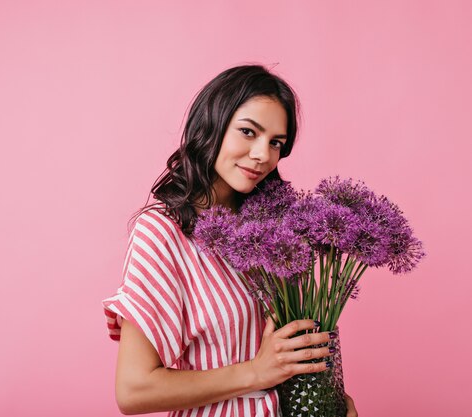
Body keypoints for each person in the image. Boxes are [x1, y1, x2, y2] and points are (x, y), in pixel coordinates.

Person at [101, 64, 358, 417]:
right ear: (211, 124)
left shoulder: (276, 227)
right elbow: (133, 390)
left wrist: (330, 404)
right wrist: (256, 372)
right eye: (248, 132)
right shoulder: (163, 232)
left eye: (276, 143)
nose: (262, 155)